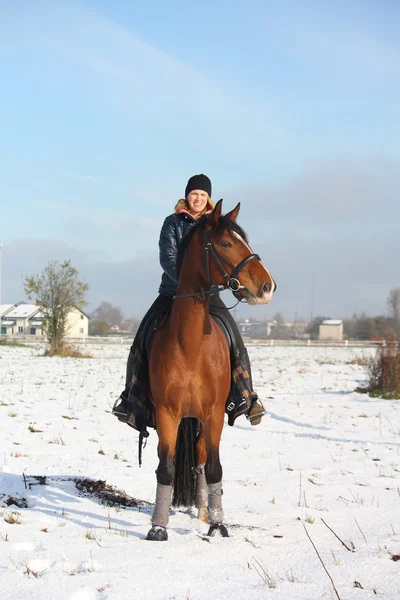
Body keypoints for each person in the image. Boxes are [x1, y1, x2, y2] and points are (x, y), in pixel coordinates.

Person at [113, 174, 265, 432]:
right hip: (172, 292)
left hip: (210, 296)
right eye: (194, 194)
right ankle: (130, 398)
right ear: (187, 196)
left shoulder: (215, 226)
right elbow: (167, 256)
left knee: (234, 338)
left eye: (203, 195)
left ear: (208, 199)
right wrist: (185, 285)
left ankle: (247, 396)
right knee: (142, 337)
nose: (198, 198)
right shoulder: (172, 223)